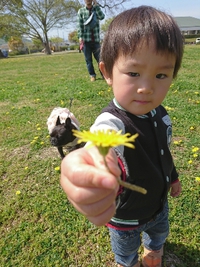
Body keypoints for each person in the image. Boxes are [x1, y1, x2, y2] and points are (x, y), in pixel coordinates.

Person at [61, 6, 183, 267]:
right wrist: (90, 161)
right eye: (134, 73)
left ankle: (154, 252)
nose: (146, 87)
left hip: (158, 205)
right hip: (125, 217)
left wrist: (172, 177)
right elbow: (100, 143)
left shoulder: (159, 114)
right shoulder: (112, 122)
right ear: (107, 72)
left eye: (161, 75)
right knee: (126, 253)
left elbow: (163, 153)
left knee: (158, 236)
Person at [77, 0, 105, 82]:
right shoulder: (81, 11)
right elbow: (79, 25)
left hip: (96, 40)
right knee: (88, 60)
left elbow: (102, 17)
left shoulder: (96, 9)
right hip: (86, 40)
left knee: (100, 59)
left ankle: (104, 74)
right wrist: (80, 37)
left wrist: (96, 6)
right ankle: (92, 75)